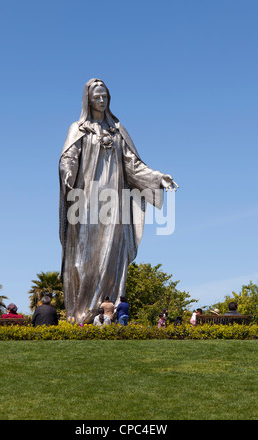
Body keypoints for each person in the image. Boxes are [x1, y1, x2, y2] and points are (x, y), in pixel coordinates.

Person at [59, 78, 178, 323]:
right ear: (87, 100)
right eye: (96, 97)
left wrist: (158, 178)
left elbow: (133, 166)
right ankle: (81, 313)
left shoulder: (117, 130)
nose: (101, 101)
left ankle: (107, 309)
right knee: (84, 257)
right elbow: (68, 157)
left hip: (114, 202)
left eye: (105, 97)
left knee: (111, 253)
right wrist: (68, 175)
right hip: (87, 198)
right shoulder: (78, 129)